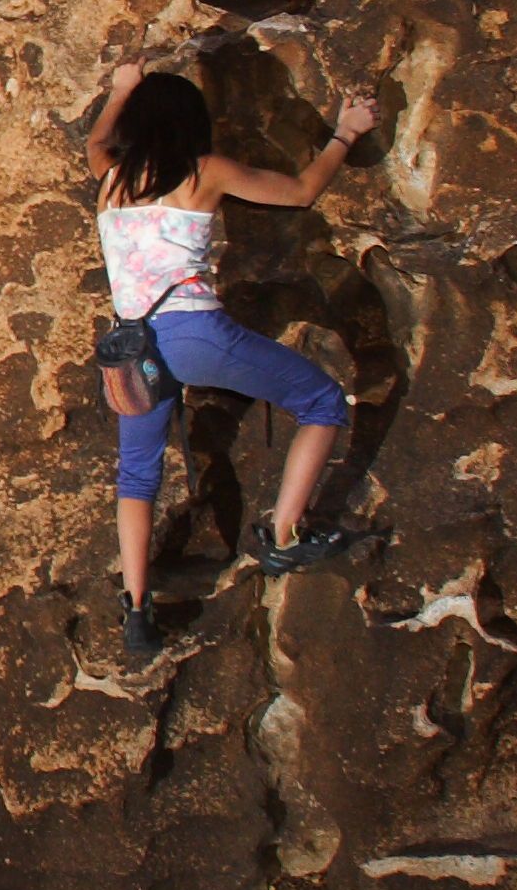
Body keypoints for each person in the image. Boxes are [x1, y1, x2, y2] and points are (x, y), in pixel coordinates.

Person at [86, 59, 378, 659]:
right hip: (195, 337)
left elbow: (98, 138)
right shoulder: (203, 172)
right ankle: (285, 534)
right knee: (322, 402)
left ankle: (138, 611)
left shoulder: (109, 179)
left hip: (131, 351)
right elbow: (300, 192)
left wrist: (120, 90)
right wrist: (346, 132)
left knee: (137, 475)